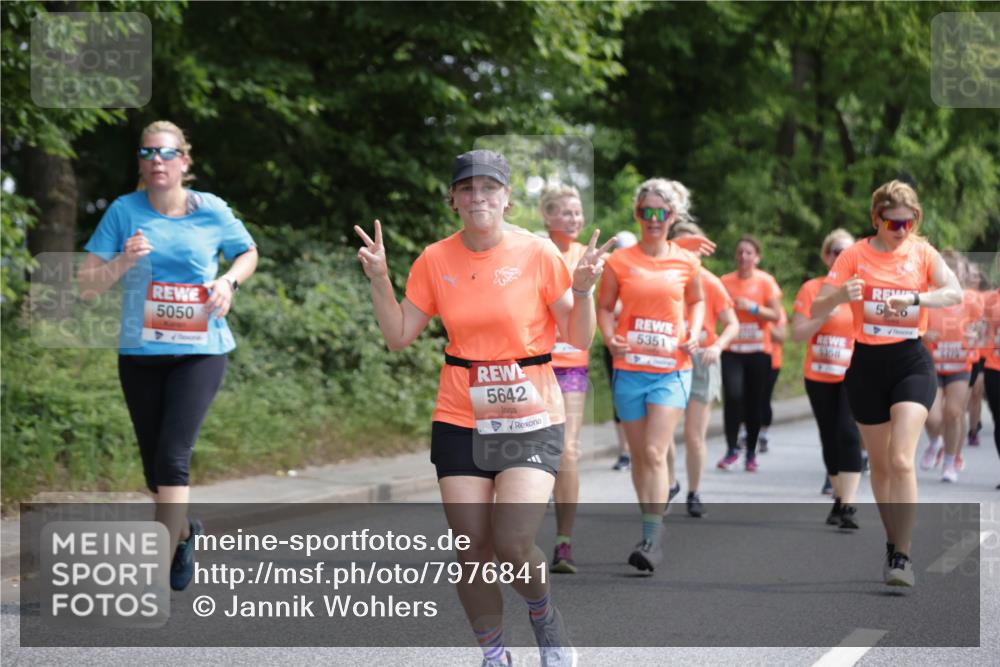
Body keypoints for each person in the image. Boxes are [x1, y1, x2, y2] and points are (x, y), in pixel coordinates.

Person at [355, 149, 612, 667]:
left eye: (489, 188)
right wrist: (380, 279)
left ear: (507, 197)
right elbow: (399, 334)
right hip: (460, 414)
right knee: (471, 551)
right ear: (453, 199)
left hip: (532, 412)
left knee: (514, 543)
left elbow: (578, 335)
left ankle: (543, 615)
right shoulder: (435, 259)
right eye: (467, 189)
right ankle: (495, 655)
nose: (478, 198)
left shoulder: (539, 253)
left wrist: (582, 290)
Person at [76, 120, 258, 591]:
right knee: (154, 469)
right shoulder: (122, 211)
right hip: (139, 352)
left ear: (184, 161)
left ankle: (157, 562)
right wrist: (124, 261)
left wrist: (227, 282)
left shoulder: (212, 210)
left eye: (166, 153)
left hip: (201, 351)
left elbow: (248, 252)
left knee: (174, 458)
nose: (157, 160)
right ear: (140, 162)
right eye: (148, 153)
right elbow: (87, 285)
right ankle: (182, 532)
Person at [811, 180, 961, 587]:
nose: (901, 232)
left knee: (900, 458)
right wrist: (841, 293)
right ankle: (893, 545)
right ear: (876, 219)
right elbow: (817, 303)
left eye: (908, 223)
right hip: (867, 364)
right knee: (878, 464)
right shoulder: (855, 255)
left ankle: (904, 555)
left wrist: (916, 300)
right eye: (893, 224)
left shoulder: (922, 253)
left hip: (911, 361)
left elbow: (954, 292)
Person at [597, 178, 703, 571]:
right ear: (637, 215)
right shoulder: (620, 262)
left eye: (662, 213)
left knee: (657, 451)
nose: (654, 219)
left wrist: (692, 330)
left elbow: (697, 300)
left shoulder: (686, 261)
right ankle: (649, 523)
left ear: (673, 217)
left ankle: (652, 539)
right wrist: (610, 337)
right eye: (647, 213)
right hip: (630, 368)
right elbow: (605, 307)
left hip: (671, 370)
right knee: (641, 457)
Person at [666, 221, 739, 517]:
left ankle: (694, 491)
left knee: (694, 434)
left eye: (693, 248)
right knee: (663, 432)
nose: (689, 254)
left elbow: (733, 323)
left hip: (701, 359)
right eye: (683, 247)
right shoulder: (664, 278)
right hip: (667, 358)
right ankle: (670, 482)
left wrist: (717, 347)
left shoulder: (709, 281)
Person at [791, 229, 862, 529]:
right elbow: (796, 334)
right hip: (818, 375)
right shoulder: (811, 289)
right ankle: (838, 497)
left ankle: (848, 505)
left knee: (848, 432)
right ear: (826, 256)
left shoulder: (861, 291)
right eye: (835, 251)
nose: (839, 257)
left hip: (851, 374)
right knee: (829, 437)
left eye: (846, 252)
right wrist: (824, 314)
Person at [539, 183, 591, 574]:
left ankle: (564, 543)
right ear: (548, 216)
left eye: (578, 212)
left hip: (572, 365)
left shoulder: (587, 256)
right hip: (532, 365)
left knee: (567, 450)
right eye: (566, 212)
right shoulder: (533, 253)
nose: (574, 219)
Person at [717, 236, 783, 471]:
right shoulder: (725, 281)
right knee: (733, 397)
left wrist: (752, 308)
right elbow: (715, 310)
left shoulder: (765, 282)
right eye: (740, 252)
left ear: (757, 257)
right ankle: (731, 449)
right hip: (732, 350)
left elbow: (776, 315)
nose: (743, 257)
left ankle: (751, 453)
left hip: (758, 350)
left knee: (754, 403)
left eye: (748, 253)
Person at [918, 251, 983, 482]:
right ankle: (935, 443)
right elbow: (913, 327)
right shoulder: (928, 298)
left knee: (954, 413)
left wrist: (977, 334)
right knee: (932, 417)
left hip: (960, 365)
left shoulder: (972, 300)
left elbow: (983, 329)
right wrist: (925, 333)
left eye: (957, 274)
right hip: (931, 365)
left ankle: (949, 462)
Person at [606, 231, 638, 471]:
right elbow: (605, 308)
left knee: (642, 400)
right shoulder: (611, 274)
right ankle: (624, 451)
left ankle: (639, 447)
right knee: (619, 398)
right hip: (617, 345)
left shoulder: (642, 275)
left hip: (641, 347)